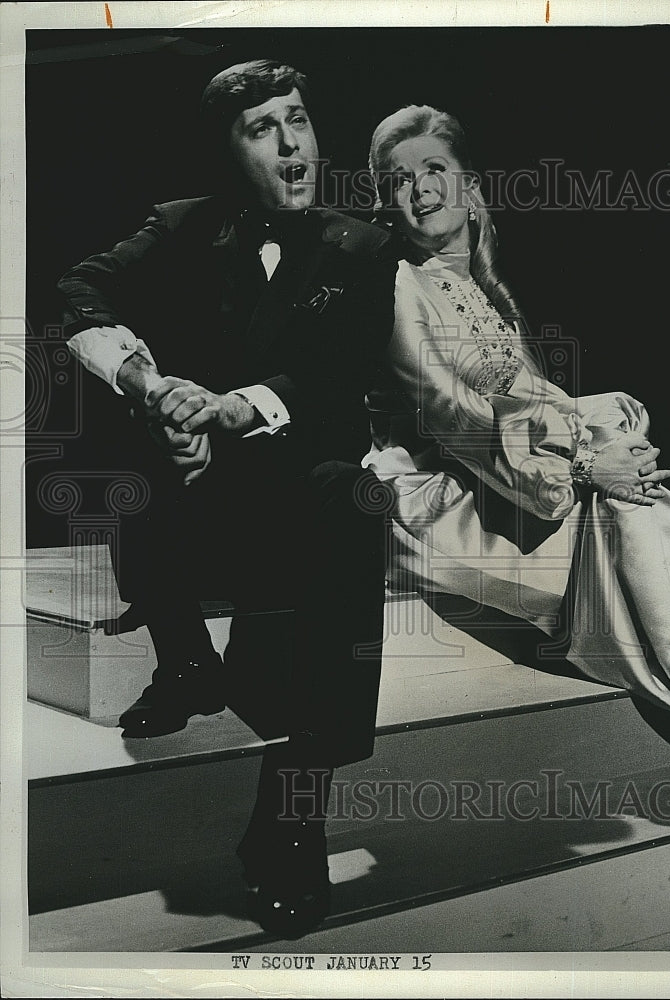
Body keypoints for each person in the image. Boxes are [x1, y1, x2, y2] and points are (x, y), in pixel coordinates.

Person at [57, 59, 398, 938]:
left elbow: (341, 377)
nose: (293, 145)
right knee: (115, 434)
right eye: (262, 129)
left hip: (290, 489)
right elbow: (79, 293)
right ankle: (184, 661)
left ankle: (292, 817)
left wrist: (234, 408)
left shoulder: (360, 246)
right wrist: (150, 386)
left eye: (300, 120)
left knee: (351, 496)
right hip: (188, 494)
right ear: (226, 151)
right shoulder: (182, 225)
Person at [364, 105, 670, 740]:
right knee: (626, 502)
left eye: (433, 169)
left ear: (471, 190)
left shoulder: (483, 292)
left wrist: (594, 434)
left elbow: (527, 409)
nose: (419, 188)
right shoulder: (399, 284)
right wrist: (588, 465)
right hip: (428, 495)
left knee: (627, 476)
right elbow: (454, 415)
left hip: (497, 476)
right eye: (398, 180)